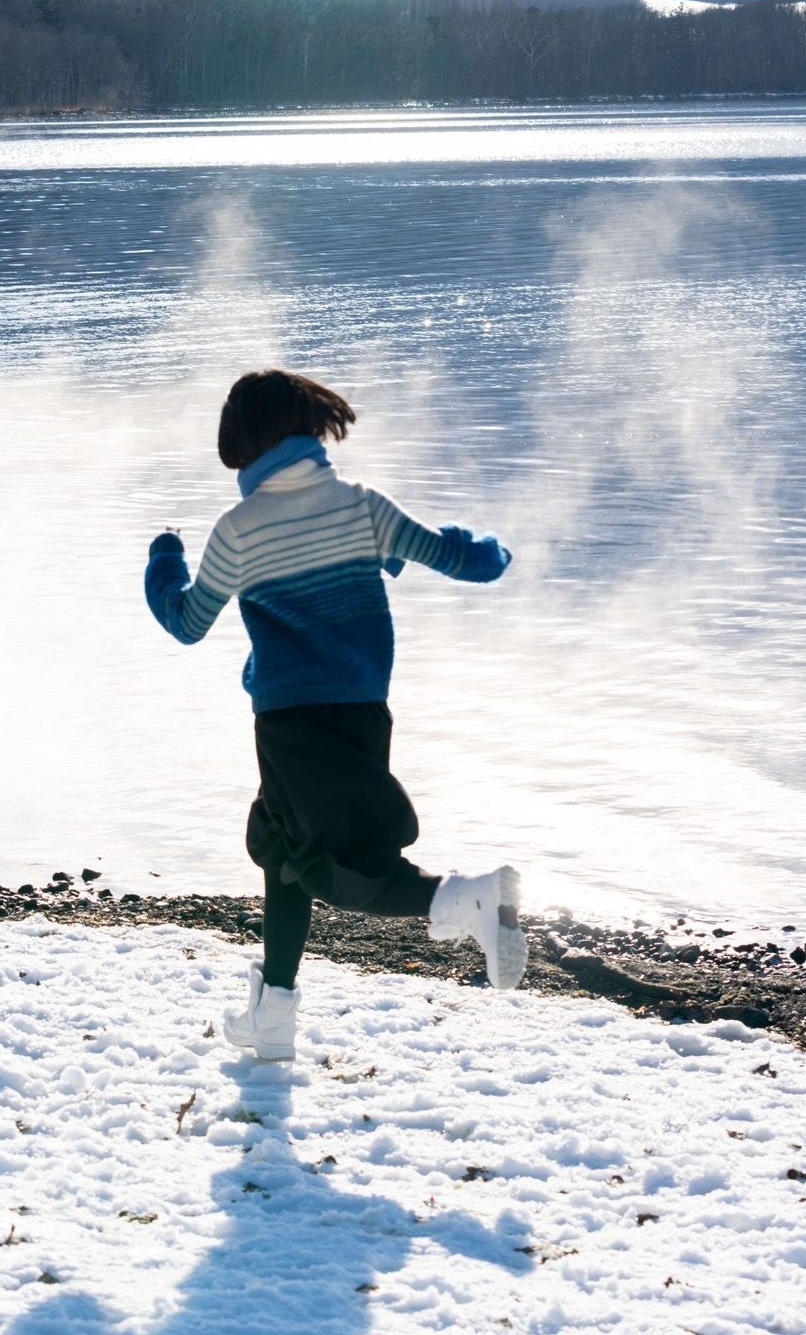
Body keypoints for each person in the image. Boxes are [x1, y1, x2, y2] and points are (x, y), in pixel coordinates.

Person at [144, 368, 524, 1063]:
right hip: (363, 709)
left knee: (331, 864)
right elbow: (452, 555)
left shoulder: (238, 530)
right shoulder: (360, 505)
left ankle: (464, 900)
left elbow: (188, 622)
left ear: (244, 445)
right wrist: (493, 551)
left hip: (290, 719)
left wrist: (164, 557)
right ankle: (273, 1018)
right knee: (284, 848)